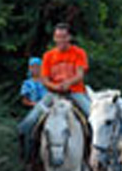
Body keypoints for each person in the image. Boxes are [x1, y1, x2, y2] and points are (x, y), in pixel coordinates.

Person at [17, 23, 91, 161]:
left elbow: (80, 74)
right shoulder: (49, 56)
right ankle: (29, 155)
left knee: (94, 118)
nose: (60, 41)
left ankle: (93, 156)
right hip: (53, 93)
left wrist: (68, 83)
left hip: (75, 92)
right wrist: (55, 87)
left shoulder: (79, 53)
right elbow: (44, 79)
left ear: (69, 37)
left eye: (63, 37)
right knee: (28, 122)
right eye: (57, 37)